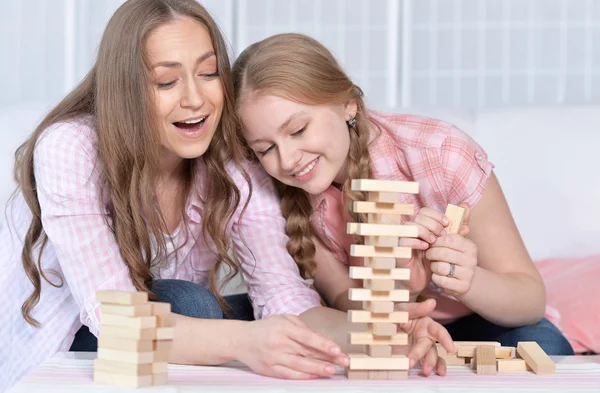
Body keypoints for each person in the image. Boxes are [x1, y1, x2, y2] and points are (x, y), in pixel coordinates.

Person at [0, 2, 452, 390]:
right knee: (191, 303)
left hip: (167, 341)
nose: (195, 99)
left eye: (210, 73)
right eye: (166, 82)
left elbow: (286, 299)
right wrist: (245, 341)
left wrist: (379, 334)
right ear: (128, 90)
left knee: (243, 312)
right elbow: (112, 319)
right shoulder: (71, 148)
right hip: (70, 348)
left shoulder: (234, 167)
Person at [232, 33, 574, 357]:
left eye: (299, 130)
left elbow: (530, 299)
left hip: (479, 320)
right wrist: (399, 289)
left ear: (347, 105)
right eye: (265, 149)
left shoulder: (441, 153)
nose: (288, 159)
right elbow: (341, 297)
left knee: (545, 346)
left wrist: (459, 279)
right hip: (379, 325)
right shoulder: (281, 189)